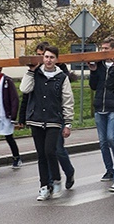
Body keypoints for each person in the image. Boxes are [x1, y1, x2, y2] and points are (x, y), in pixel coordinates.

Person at [20, 46, 74, 201]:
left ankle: (56, 180)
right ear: (42, 58)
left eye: (52, 57)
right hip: (36, 119)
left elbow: (68, 100)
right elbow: (24, 89)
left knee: (51, 151)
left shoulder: (61, 77)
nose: (48, 60)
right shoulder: (35, 74)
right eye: (46, 57)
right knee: (41, 155)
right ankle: (44, 186)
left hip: (53, 119)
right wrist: (31, 71)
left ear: (56, 59)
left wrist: (68, 123)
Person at [88, 36, 114, 192]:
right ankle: (109, 170)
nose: (102, 51)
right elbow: (93, 86)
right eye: (102, 48)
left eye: (106, 48)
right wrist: (93, 72)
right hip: (100, 106)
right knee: (103, 141)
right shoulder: (100, 65)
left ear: (113, 49)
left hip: (113, 107)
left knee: (112, 139)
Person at [0, 67, 21, 172]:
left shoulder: (7, 81)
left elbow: (14, 98)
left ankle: (16, 157)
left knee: (8, 136)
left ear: (0, 69)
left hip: (5, 114)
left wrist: (13, 115)